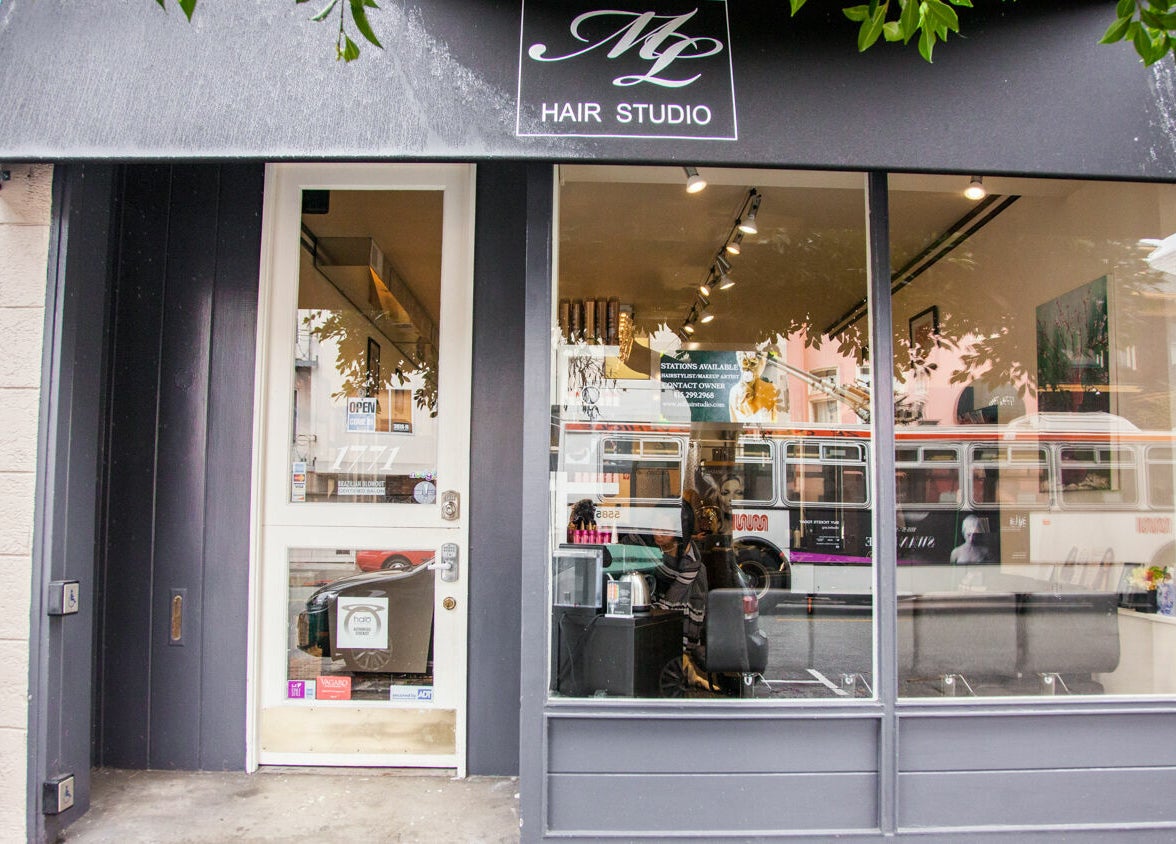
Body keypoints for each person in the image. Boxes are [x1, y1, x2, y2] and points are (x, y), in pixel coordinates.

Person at [650, 499, 712, 689]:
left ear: (679, 532)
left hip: (666, 616)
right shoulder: (644, 549)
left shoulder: (693, 565)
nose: (657, 534)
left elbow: (681, 597)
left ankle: (684, 664)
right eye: (654, 527)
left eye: (665, 530)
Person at [729, 350, 784, 423]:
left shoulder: (733, 392)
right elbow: (778, 429)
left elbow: (734, 429)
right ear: (761, 361)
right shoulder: (773, 389)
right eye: (765, 358)